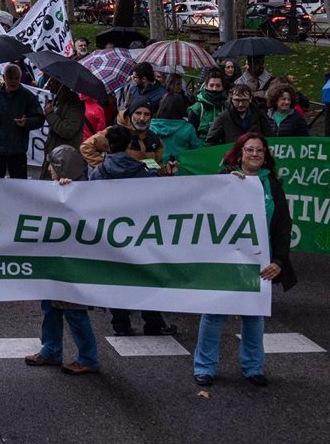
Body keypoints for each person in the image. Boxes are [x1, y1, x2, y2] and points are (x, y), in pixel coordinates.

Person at [193, 133, 296, 387]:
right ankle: (204, 367)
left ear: (265, 155)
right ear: (240, 153)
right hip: (225, 259)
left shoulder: (272, 185)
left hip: (258, 261)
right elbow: (205, 213)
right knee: (215, 313)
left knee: (253, 315)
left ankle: (253, 367)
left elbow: (283, 225)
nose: (255, 154)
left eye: (260, 151)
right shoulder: (224, 180)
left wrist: (280, 261)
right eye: (250, 150)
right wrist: (228, 185)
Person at [86, 125, 178, 337]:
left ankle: (121, 324)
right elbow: (160, 197)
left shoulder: (99, 172)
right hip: (140, 232)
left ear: (108, 144)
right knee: (145, 276)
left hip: (111, 233)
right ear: (129, 144)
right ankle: (152, 322)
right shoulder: (143, 171)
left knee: (117, 276)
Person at [26, 145, 99, 375]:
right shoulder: (53, 189)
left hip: (73, 264)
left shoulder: (82, 192)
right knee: (50, 307)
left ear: (61, 167)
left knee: (75, 312)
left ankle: (88, 357)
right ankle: (51, 349)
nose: (48, 168)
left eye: (52, 165)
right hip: (54, 260)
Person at [0, 64, 44, 179]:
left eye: (16, 78)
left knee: (19, 188)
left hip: (17, 151)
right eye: (10, 78)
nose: (13, 81)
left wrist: (27, 122)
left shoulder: (27, 96)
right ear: (4, 78)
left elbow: (40, 118)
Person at [80, 97, 164, 169]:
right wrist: (105, 167)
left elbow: (157, 165)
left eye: (146, 114)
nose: (142, 118)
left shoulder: (154, 139)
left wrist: (165, 170)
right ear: (130, 114)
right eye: (138, 113)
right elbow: (86, 147)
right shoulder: (116, 132)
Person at [39, 81, 84, 179]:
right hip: (56, 156)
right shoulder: (59, 100)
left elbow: (68, 131)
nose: (50, 83)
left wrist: (50, 115)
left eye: (54, 81)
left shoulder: (74, 104)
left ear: (62, 84)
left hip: (64, 161)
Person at [206, 83, 273, 145]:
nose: (240, 104)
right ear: (232, 99)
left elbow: (270, 137)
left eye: (244, 100)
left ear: (250, 99)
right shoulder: (224, 117)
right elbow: (211, 140)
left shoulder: (259, 114)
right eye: (237, 100)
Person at [151, 93, 202, 163]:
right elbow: (198, 149)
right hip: (181, 168)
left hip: (158, 167)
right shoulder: (188, 128)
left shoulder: (151, 126)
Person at [186, 69, 227, 137]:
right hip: (203, 145)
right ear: (206, 86)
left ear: (222, 87)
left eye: (218, 85)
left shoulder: (226, 106)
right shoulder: (197, 108)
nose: (214, 89)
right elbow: (191, 133)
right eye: (211, 85)